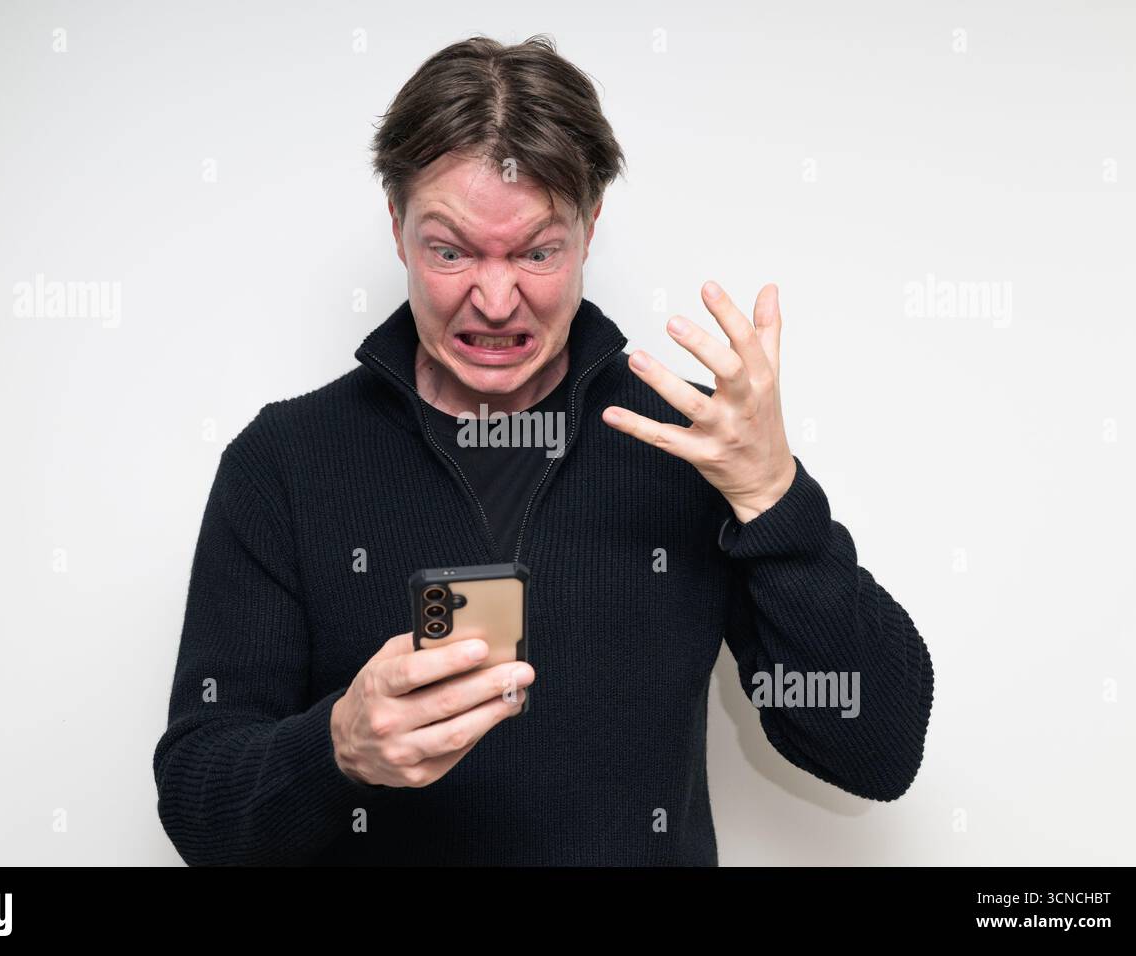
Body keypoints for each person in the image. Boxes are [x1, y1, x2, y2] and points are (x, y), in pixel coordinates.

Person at [152, 33, 933, 866]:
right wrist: (337, 748)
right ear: (396, 226)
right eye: (450, 251)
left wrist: (775, 499)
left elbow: (875, 751)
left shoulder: (697, 445)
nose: (494, 300)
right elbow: (199, 804)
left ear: (590, 228)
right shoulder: (285, 461)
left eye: (536, 252)